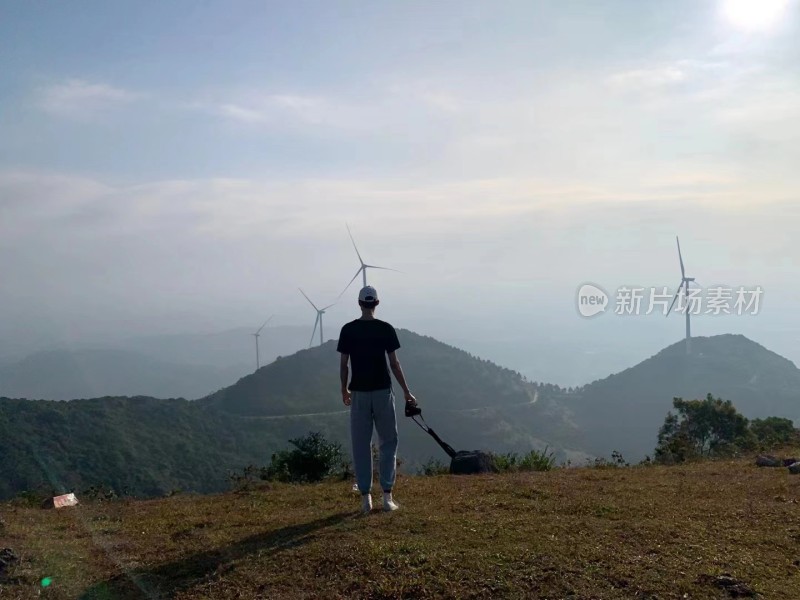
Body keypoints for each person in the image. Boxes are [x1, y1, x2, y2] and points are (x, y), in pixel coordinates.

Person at [337, 285, 417, 514]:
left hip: (359, 394)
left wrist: (344, 390)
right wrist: (406, 391)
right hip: (383, 392)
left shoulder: (348, 330)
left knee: (361, 444)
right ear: (377, 303)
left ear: (359, 303)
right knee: (388, 442)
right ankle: (387, 497)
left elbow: (344, 365)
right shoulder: (386, 329)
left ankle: (365, 499)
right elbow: (394, 364)